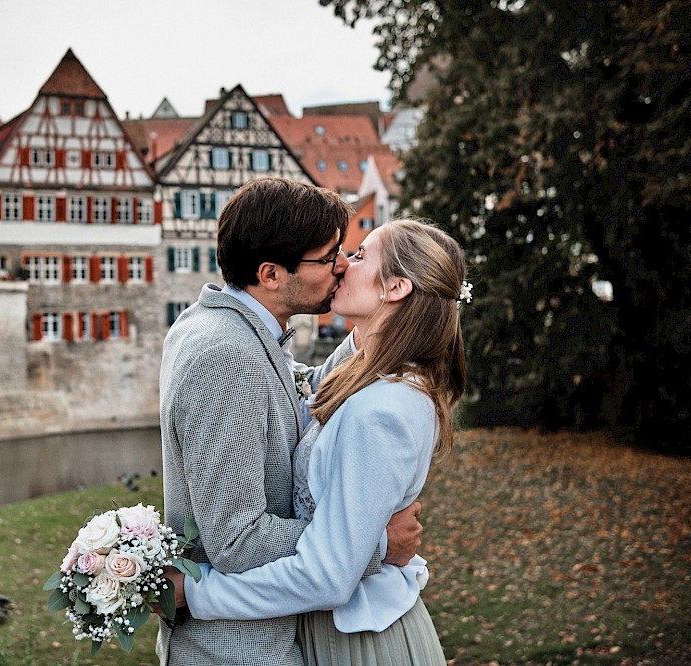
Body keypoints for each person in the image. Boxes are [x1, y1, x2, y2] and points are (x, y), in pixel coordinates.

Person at [168, 217, 469, 665]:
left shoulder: (381, 410)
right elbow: (312, 384)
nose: (344, 264)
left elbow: (327, 574)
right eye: (338, 254)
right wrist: (379, 545)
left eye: (361, 254)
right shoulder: (367, 374)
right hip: (332, 631)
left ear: (396, 287)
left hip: (362, 641)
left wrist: (194, 592)